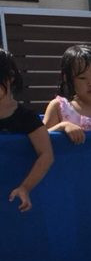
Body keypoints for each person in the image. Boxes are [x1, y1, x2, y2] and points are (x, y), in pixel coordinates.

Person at [0, 48, 54, 212]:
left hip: (13, 197)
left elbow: (46, 155)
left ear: (10, 77)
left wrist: (25, 187)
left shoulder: (26, 118)